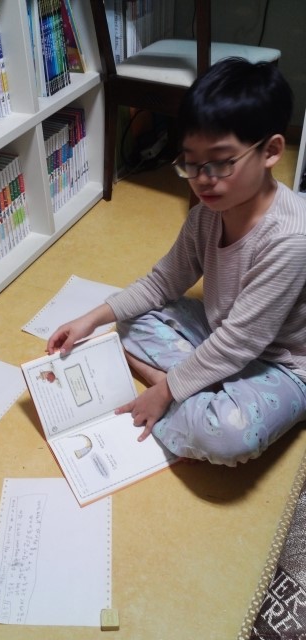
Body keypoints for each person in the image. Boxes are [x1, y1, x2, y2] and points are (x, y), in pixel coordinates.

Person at [46, 57, 306, 466]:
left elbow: (241, 343)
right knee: (129, 318)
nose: (203, 178)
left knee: (229, 435)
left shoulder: (290, 239)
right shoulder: (206, 215)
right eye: (190, 163)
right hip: (223, 334)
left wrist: (163, 390)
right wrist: (90, 319)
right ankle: (192, 387)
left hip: (282, 364)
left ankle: (174, 386)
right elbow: (160, 284)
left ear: (271, 151)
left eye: (220, 162)